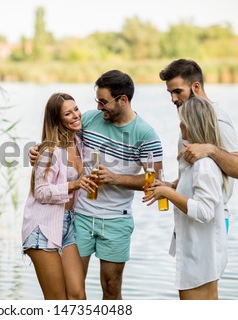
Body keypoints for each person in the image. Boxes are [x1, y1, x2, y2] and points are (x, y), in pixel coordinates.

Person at [29, 71, 163, 299]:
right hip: (79, 218)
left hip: (116, 221)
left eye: (103, 102)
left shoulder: (145, 135)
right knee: (73, 293)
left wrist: (116, 178)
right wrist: (38, 150)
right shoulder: (90, 119)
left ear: (123, 100)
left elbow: (155, 182)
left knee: (111, 289)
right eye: (97, 101)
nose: (99, 107)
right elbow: (62, 139)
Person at [143, 96, 228, 300]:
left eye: (183, 124)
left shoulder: (203, 165)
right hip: (199, 253)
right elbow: (196, 193)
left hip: (199, 258)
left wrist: (169, 194)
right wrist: (171, 186)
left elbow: (205, 211)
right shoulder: (196, 162)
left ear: (192, 126)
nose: (180, 129)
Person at [159, 59, 238, 231]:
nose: (173, 99)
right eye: (170, 93)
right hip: (189, 218)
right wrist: (175, 185)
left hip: (213, 221)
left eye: (178, 91)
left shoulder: (217, 119)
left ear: (196, 87)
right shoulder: (188, 119)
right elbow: (200, 173)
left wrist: (210, 149)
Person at [22, 92, 93, 300]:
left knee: (78, 296)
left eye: (76, 109)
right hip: (42, 228)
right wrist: (74, 184)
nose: (75, 116)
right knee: (56, 300)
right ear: (57, 119)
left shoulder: (79, 142)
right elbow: (41, 191)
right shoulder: (49, 151)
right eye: (67, 114)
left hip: (68, 224)